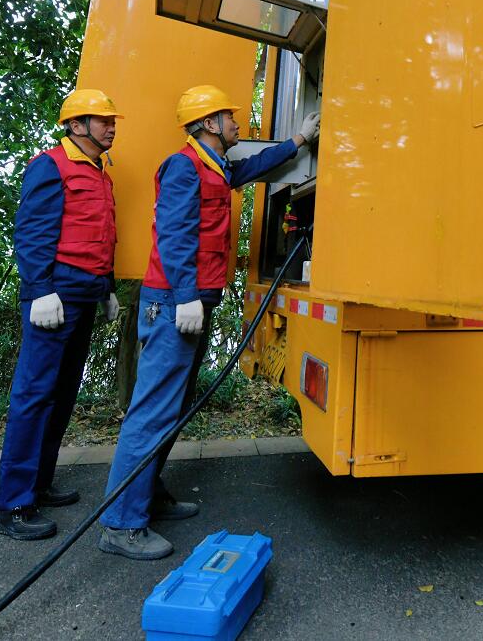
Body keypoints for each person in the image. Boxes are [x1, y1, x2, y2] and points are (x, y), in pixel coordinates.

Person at [97, 85, 319, 560]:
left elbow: (252, 168)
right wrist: (185, 297)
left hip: (191, 302)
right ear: (209, 124)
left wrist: (299, 140)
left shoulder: (216, 167)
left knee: (172, 408)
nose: (238, 124)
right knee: (152, 412)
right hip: (174, 303)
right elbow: (173, 235)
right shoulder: (183, 166)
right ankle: (120, 524)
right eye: (230, 118)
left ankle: (147, 495)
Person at [0, 89, 124, 541]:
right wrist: (40, 290)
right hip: (55, 297)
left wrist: (106, 288)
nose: (111, 127)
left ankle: (39, 484)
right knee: (34, 396)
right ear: (75, 125)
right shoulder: (51, 165)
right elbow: (30, 233)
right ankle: (12, 504)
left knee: (62, 393)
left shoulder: (101, 172)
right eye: (102, 120)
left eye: (112, 120)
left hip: (85, 295)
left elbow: (100, 235)